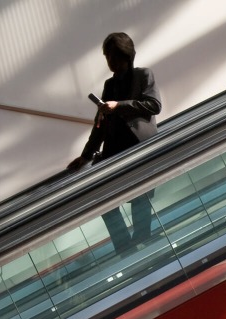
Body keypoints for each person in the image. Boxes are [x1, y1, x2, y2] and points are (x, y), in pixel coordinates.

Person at [68, 32, 163, 253]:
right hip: (114, 152)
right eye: (108, 57)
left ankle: (141, 243)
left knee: (141, 198)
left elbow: (154, 105)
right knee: (105, 202)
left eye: (113, 56)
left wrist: (118, 106)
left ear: (126, 56)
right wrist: (86, 156)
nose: (110, 62)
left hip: (139, 149)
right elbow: (99, 125)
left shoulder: (143, 75)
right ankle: (125, 248)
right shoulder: (109, 85)